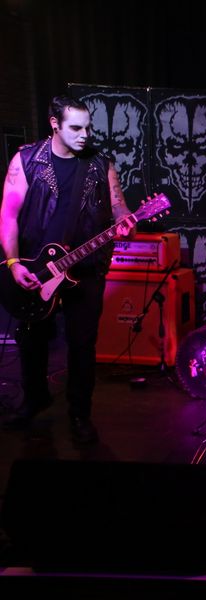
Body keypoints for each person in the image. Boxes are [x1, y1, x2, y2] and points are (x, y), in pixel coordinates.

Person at [1, 95, 134, 443]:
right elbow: (8, 215)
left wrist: (125, 220)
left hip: (85, 268)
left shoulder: (100, 164)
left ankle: (80, 413)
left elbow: (119, 207)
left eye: (88, 128)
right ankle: (34, 400)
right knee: (32, 340)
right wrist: (13, 263)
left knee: (82, 343)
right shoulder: (26, 160)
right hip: (36, 267)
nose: (84, 135)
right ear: (54, 124)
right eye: (76, 128)